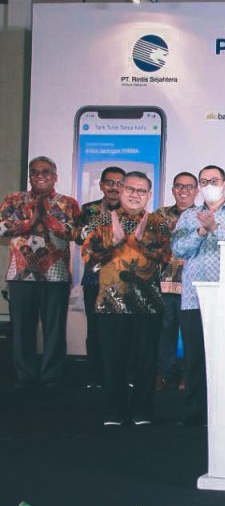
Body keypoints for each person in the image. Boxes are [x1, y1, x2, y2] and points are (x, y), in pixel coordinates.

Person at [81, 171, 171, 425]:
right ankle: (115, 411)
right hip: (111, 303)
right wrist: (113, 242)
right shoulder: (102, 220)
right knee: (113, 361)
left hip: (148, 304)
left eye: (141, 190)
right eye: (130, 189)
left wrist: (142, 242)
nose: (134, 195)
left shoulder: (158, 223)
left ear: (149, 195)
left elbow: (166, 259)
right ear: (121, 191)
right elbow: (87, 256)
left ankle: (142, 411)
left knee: (145, 362)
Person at [0, 156, 81, 391]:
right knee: (22, 328)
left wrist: (49, 221)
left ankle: (52, 377)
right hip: (20, 275)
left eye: (45, 171)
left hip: (56, 274)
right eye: (34, 172)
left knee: (54, 329)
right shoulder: (14, 199)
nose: (39, 176)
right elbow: (2, 227)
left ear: (55, 176)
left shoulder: (67, 203)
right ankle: (25, 376)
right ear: (29, 176)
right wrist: (29, 223)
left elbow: (76, 233)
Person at [171, 164, 225, 426]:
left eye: (215, 180)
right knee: (195, 357)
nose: (209, 185)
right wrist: (201, 231)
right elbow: (178, 249)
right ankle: (194, 414)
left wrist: (215, 228)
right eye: (204, 181)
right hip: (194, 297)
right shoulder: (189, 216)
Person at [76, 165, 125, 388]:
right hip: (94, 279)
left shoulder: (132, 211)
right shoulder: (89, 210)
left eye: (119, 183)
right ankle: (95, 376)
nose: (114, 187)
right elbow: (78, 238)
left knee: (121, 331)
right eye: (110, 183)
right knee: (95, 329)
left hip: (123, 282)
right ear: (102, 185)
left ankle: (119, 377)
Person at [154, 172, 198, 390]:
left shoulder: (203, 215)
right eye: (179, 186)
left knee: (191, 333)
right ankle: (164, 373)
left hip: (192, 285)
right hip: (164, 282)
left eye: (189, 187)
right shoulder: (159, 215)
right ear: (172, 189)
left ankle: (188, 375)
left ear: (196, 191)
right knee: (165, 331)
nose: (184, 191)